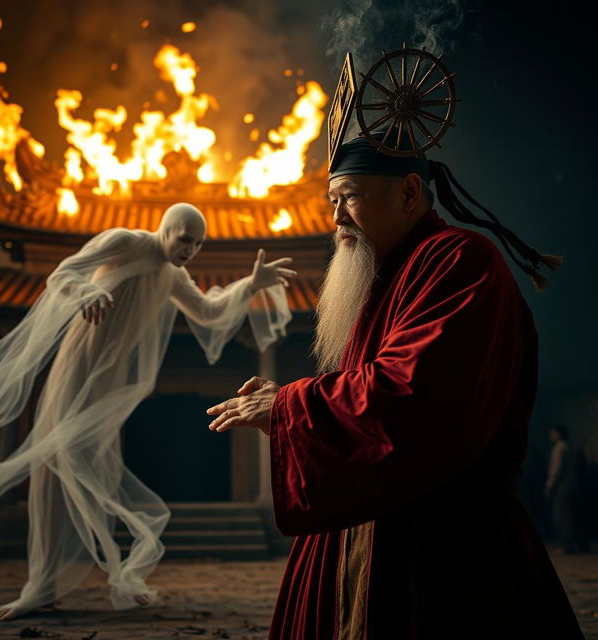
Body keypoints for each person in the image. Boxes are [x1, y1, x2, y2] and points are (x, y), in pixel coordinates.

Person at [206, 129, 584, 638]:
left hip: (444, 548)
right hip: (355, 530)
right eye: (332, 200)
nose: (336, 217)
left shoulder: (459, 261)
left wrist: (292, 407)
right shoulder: (378, 275)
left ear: (408, 192)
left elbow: (412, 395)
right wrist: (295, 421)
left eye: (352, 198)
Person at [0, 203, 297, 621]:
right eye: (185, 238)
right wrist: (87, 290)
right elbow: (64, 272)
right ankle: (41, 587)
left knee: (90, 468)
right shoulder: (125, 242)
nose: (190, 249)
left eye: (198, 243)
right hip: (77, 367)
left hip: (111, 384)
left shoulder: (173, 275)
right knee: (52, 466)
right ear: (165, 229)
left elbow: (208, 312)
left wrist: (251, 283)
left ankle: (105, 576)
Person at [546, 424, 589, 554]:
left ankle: (567, 545)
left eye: (552, 433)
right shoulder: (569, 447)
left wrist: (549, 486)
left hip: (563, 488)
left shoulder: (559, 449)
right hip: (572, 487)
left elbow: (556, 470)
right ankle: (577, 544)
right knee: (572, 517)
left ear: (558, 434)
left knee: (563, 517)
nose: (551, 435)